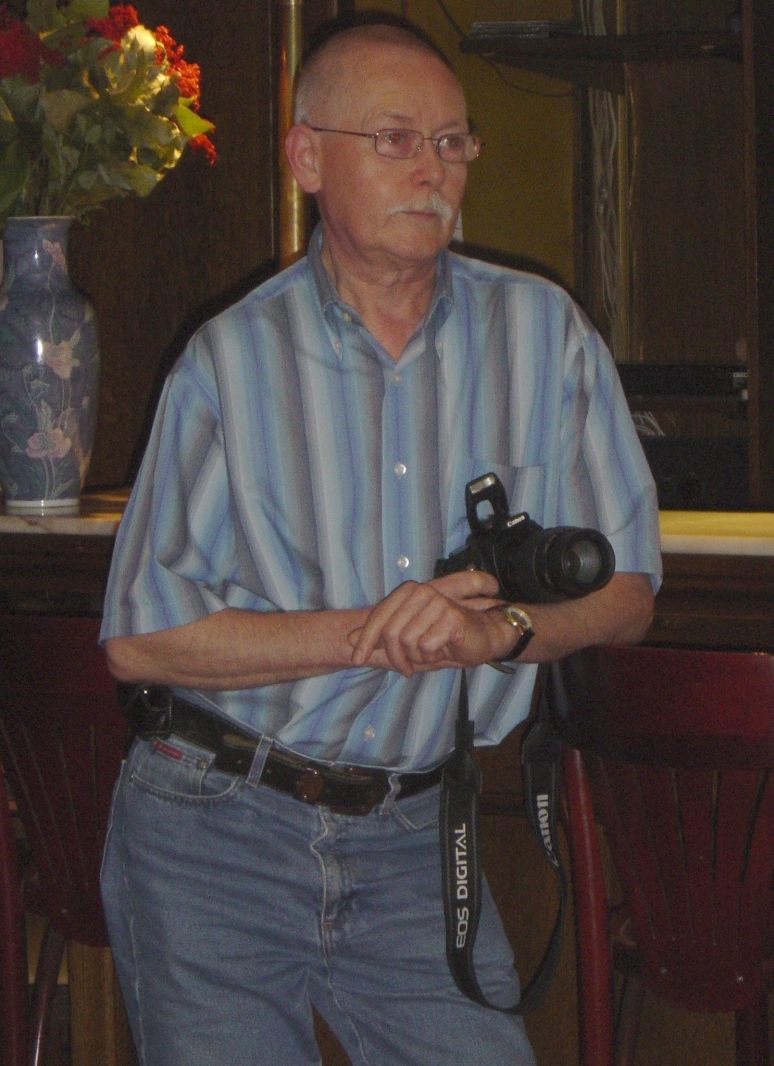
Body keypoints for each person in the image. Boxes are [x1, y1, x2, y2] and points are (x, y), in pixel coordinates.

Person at [99, 13, 661, 1066]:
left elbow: (628, 591)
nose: (432, 170)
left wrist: (501, 632)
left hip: (417, 834)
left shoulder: (544, 334)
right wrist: (373, 632)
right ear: (308, 158)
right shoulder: (230, 360)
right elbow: (143, 638)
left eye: (452, 141)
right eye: (395, 139)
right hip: (219, 828)